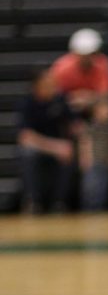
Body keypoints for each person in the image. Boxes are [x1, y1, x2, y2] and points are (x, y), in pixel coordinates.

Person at [17, 67, 75, 214]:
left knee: (68, 153)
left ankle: (59, 202)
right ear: (36, 86)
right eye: (47, 83)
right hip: (40, 147)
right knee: (28, 154)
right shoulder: (28, 103)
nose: (52, 86)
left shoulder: (60, 99)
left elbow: (73, 125)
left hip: (58, 146)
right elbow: (26, 137)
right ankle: (33, 201)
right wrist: (55, 147)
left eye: (52, 83)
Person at [50, 28, 108, 115]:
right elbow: (52, 94)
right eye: (84, 55)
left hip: (94, 107)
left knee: (105, 108)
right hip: (67, 109)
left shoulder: (103, 64)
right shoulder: (62, 68)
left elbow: (106, 94)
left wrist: (89, 98)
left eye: (92, 54)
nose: (88, 58)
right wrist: (72, 97)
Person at [78, 95, 108, 211]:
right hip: (92, 162)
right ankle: (88, 208)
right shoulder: (90, 127)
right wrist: (85, 158)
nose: (106, 113)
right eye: (103, 110)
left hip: (106, 162)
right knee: (89, 186)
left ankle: (99, 208)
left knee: (102, 187)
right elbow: (85, 142)